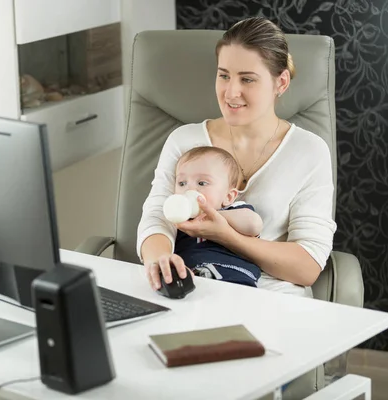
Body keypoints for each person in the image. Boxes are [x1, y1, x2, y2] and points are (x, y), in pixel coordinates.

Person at [136, 17, 337, 298]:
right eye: (224, 75)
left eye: (247, 79)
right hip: (192, 288)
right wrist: (161, 262)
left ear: (281, 82)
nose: (231, 92)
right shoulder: (184, 140)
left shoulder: (309, 150)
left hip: (270, 299)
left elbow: (307, 266)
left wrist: (227, 235)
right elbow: (158, 217)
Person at [171, 145, 263, 287]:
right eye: (182, 183)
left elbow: (254, 225)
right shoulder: (180, 219)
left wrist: (214, 215)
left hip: (232, 273)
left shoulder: (235, 210)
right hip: (191, 275)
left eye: (202, 183)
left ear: (228, 196)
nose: (189, 189)